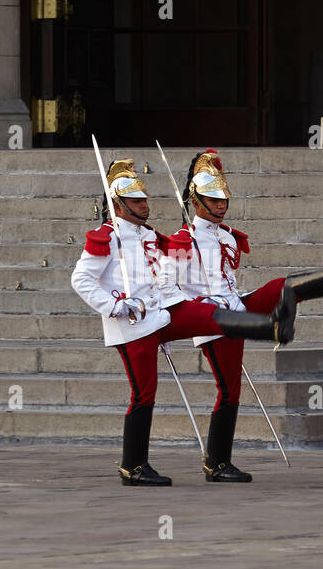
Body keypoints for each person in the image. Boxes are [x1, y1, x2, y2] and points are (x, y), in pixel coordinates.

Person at [71, 159, 297, 487]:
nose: (144, 205)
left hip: (162, 312)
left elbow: (163, 275)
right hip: (132, 322)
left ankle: (271, 327)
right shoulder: (107, 238)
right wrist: (115, 305)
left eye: (144, 199)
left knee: (208, 315)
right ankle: (132, 467)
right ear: (118, 205)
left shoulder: (148, 234)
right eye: (136, 201)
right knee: (144, 392)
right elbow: (81, 279)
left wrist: (172, 297)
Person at [166, 150, 323, 482]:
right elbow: (168, 286)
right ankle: (217, 463)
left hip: (237, 307)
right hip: (213, 320)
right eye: (213, 199)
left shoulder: (225, 235)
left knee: (280, 288)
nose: (221, 204)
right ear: (195, 202)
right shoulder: (183, 240)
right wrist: (197, 304)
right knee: (229, 391)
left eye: (223, 198)